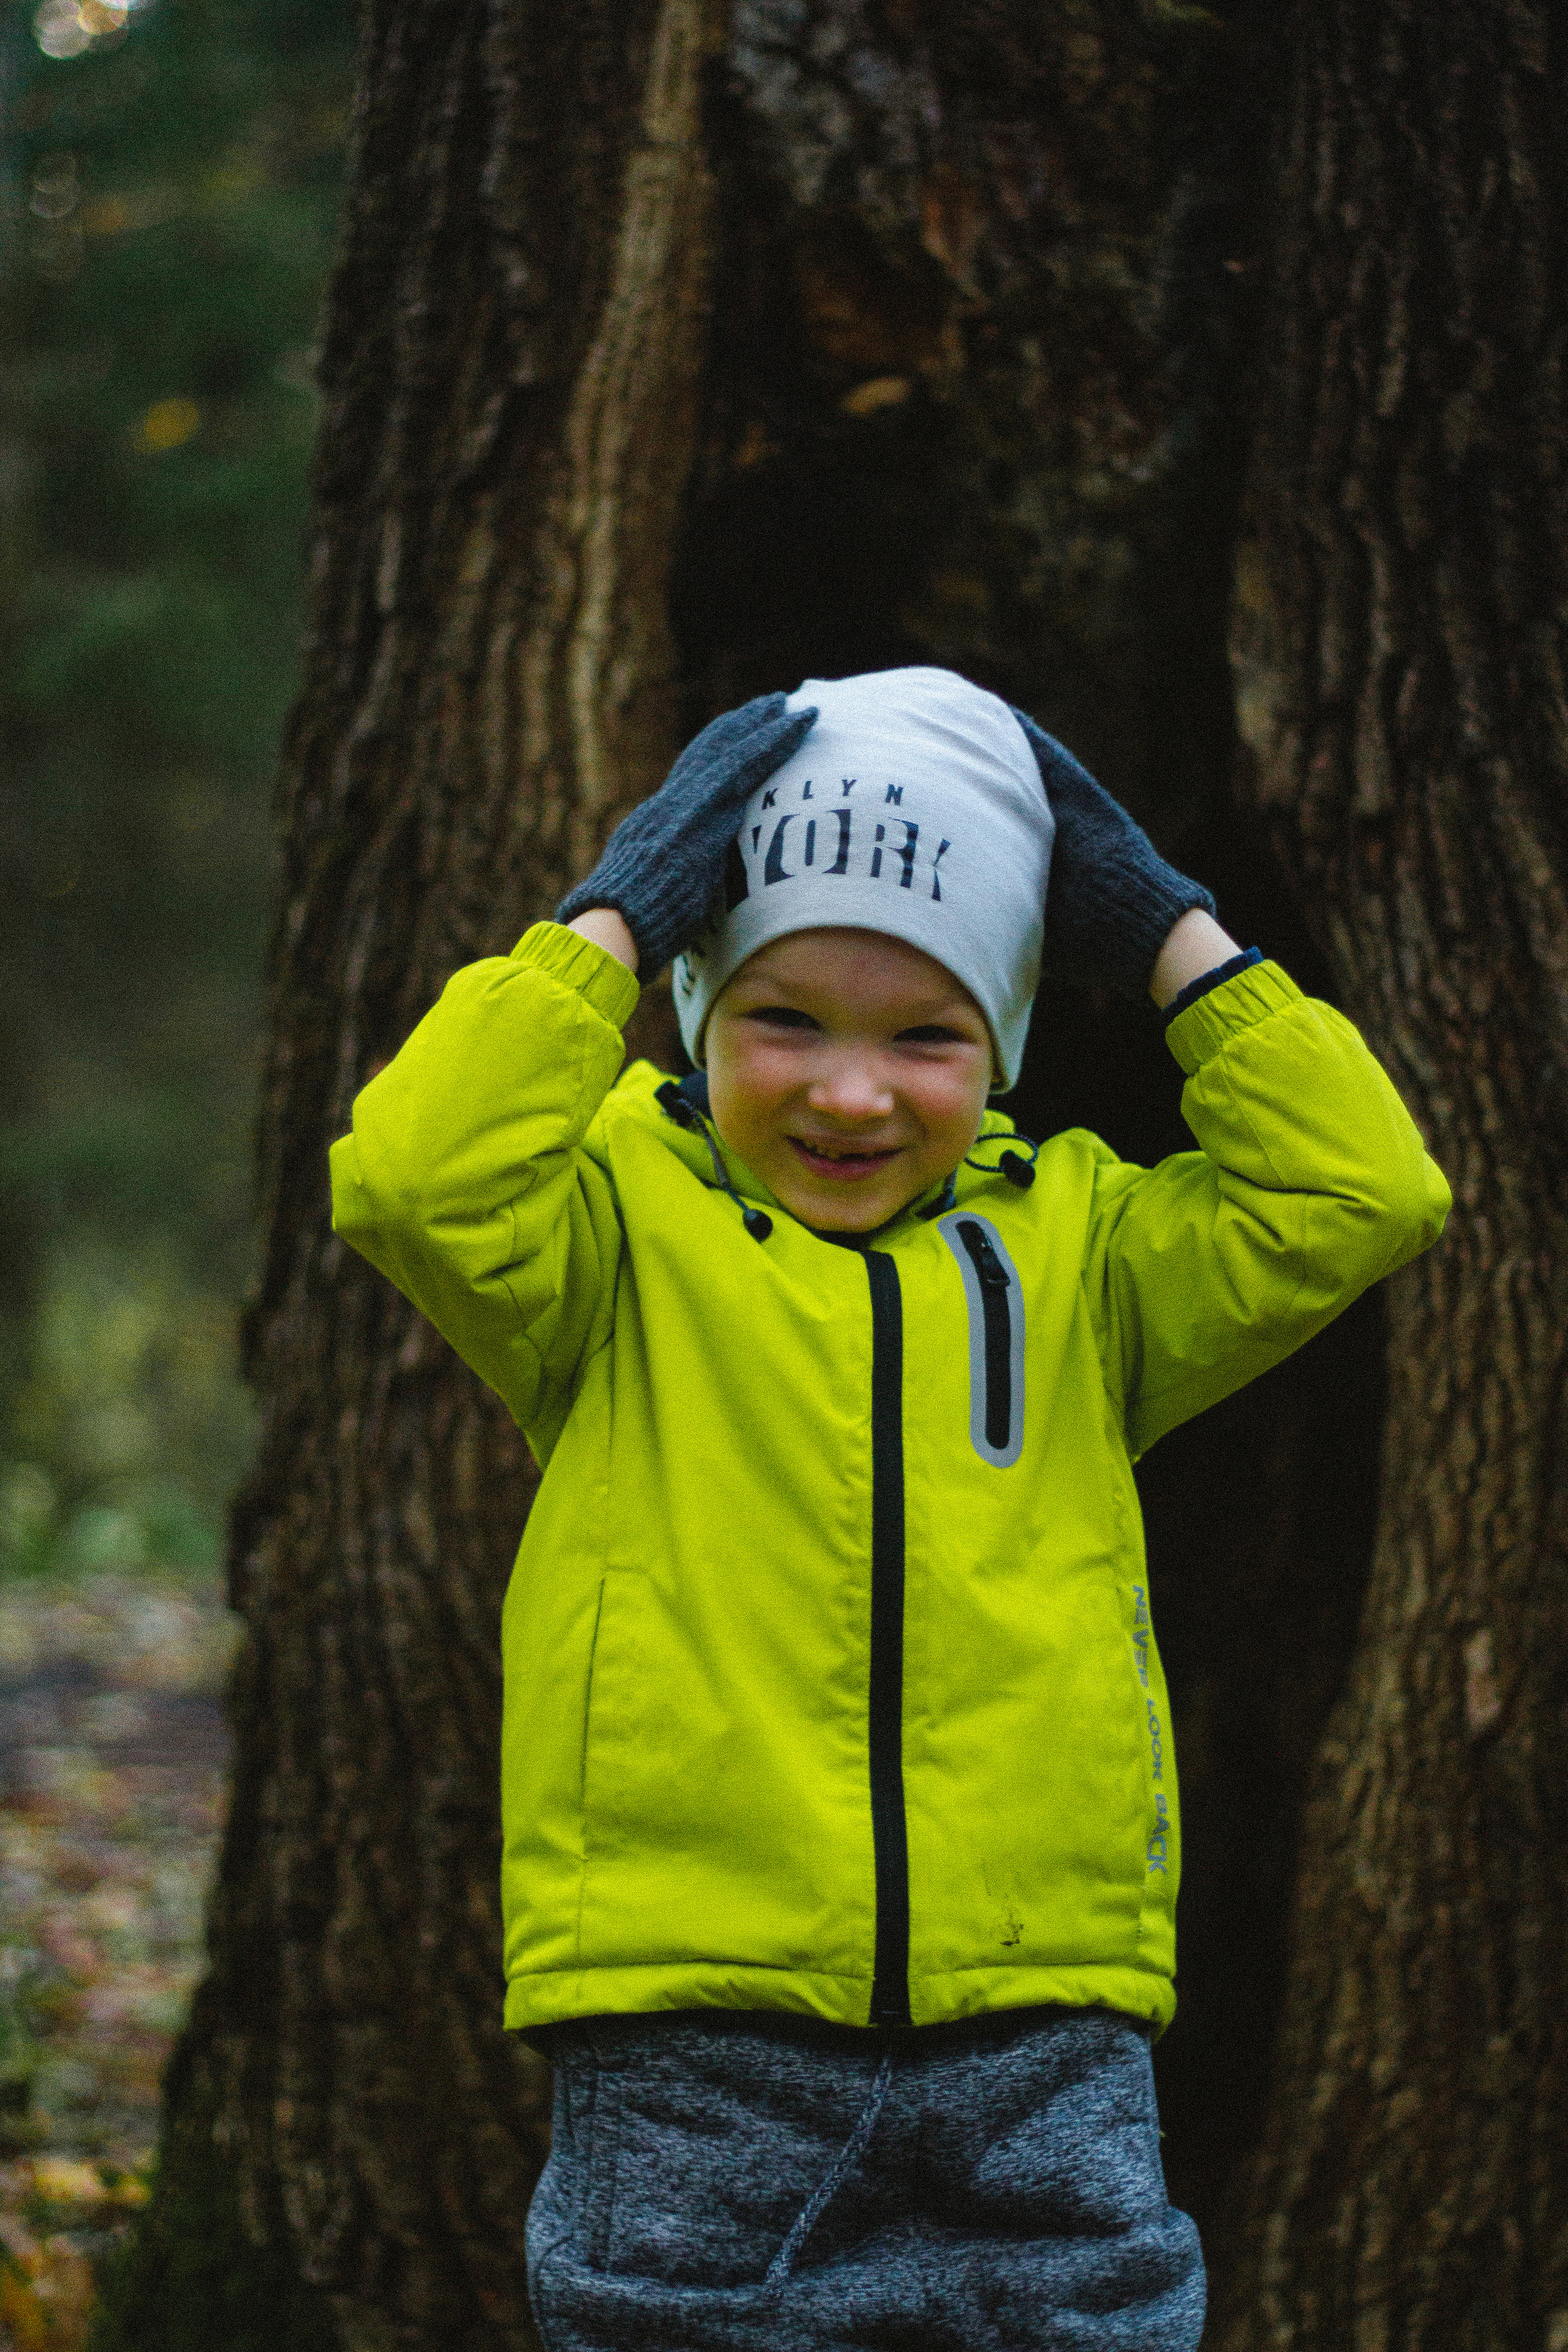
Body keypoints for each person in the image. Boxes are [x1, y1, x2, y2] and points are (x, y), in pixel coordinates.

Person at [330, 667, 1450, 2351]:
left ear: (1001, 1046)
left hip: (1045, 2031)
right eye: (788, 1019)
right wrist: (615, 917)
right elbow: (410, 1177)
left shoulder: (1087, 1254)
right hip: (694, 2033)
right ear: (700, 1011)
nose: (852, 1095)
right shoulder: (613, 1234)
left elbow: (1366, 1190)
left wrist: (1166, 927)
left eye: (927, 1034)